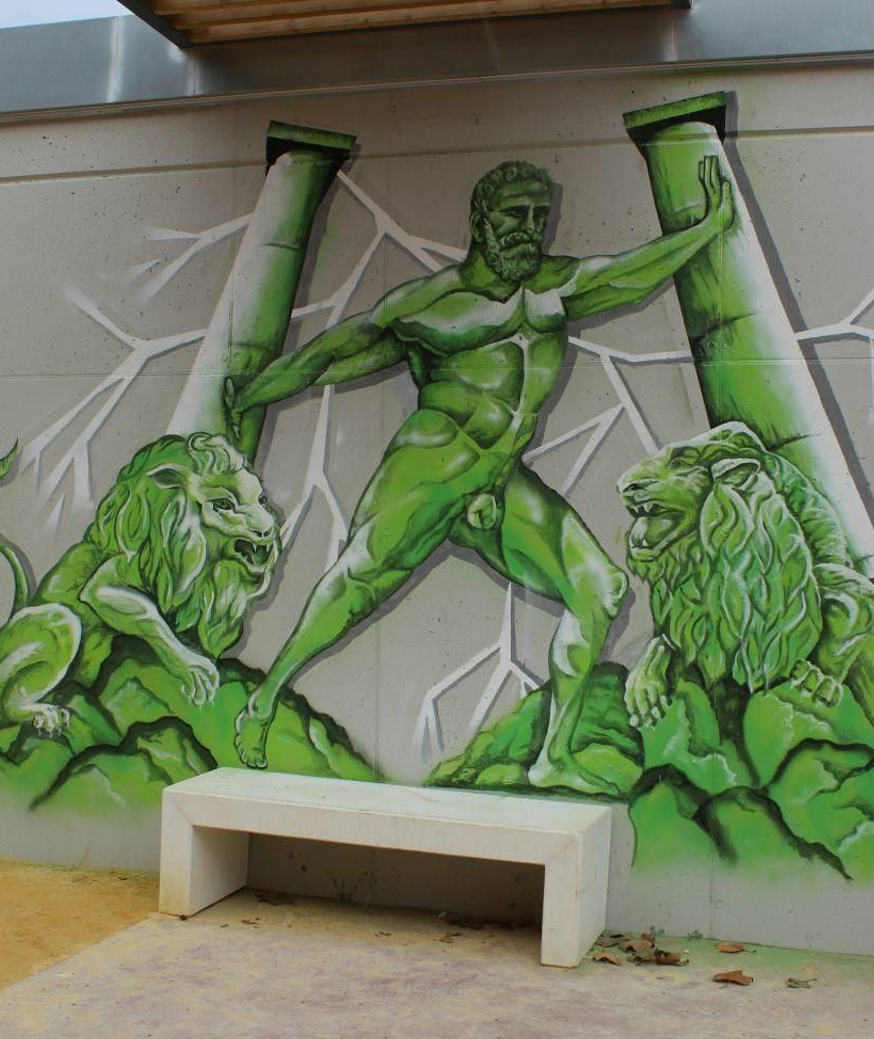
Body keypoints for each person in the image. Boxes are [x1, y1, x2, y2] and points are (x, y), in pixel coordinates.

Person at [225, 156, 736, 792]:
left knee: (600, 590)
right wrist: (251, 394)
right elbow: (330, 356)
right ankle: (264, 700)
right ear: (480, 220)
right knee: (358, 579)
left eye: (539, 216)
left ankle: (551, 758)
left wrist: (705, 228)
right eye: (514, 215)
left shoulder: (556, 287)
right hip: (435, 464)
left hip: (499, 479)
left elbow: (630, 275)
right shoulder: (429, 304)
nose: (529, 228)